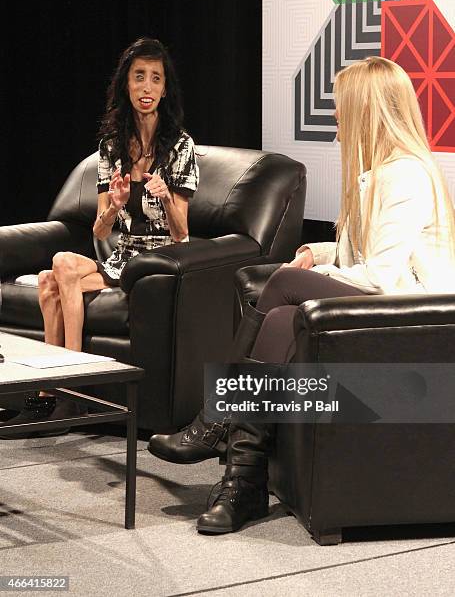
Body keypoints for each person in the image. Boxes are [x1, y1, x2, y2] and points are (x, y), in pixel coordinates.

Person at [148, 56, 455, 533]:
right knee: (275, 320)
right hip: (385, 302)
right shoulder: (377, 173)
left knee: (284, 284)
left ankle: (214, 420)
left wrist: (314, 269)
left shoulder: (405, 175)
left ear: (365, 108)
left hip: (410, 322)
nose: (334, 113)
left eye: (339, 104)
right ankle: (243, 485)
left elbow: (379, 278)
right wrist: (320, 249)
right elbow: (368, 252)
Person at [2, 37, 198, 438]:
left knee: (58, 272)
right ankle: (48, 395)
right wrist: (115, 204)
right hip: (122, 256)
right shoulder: (111, 146)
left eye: (155, 79)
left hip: (158, 262)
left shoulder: (180, 146)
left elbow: (183, 233)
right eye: (139, 77)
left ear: (165, 88)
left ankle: (67, 389)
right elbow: (99, 231)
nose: (146, 87)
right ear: (126, 86)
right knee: (51, 276)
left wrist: (165, 198)